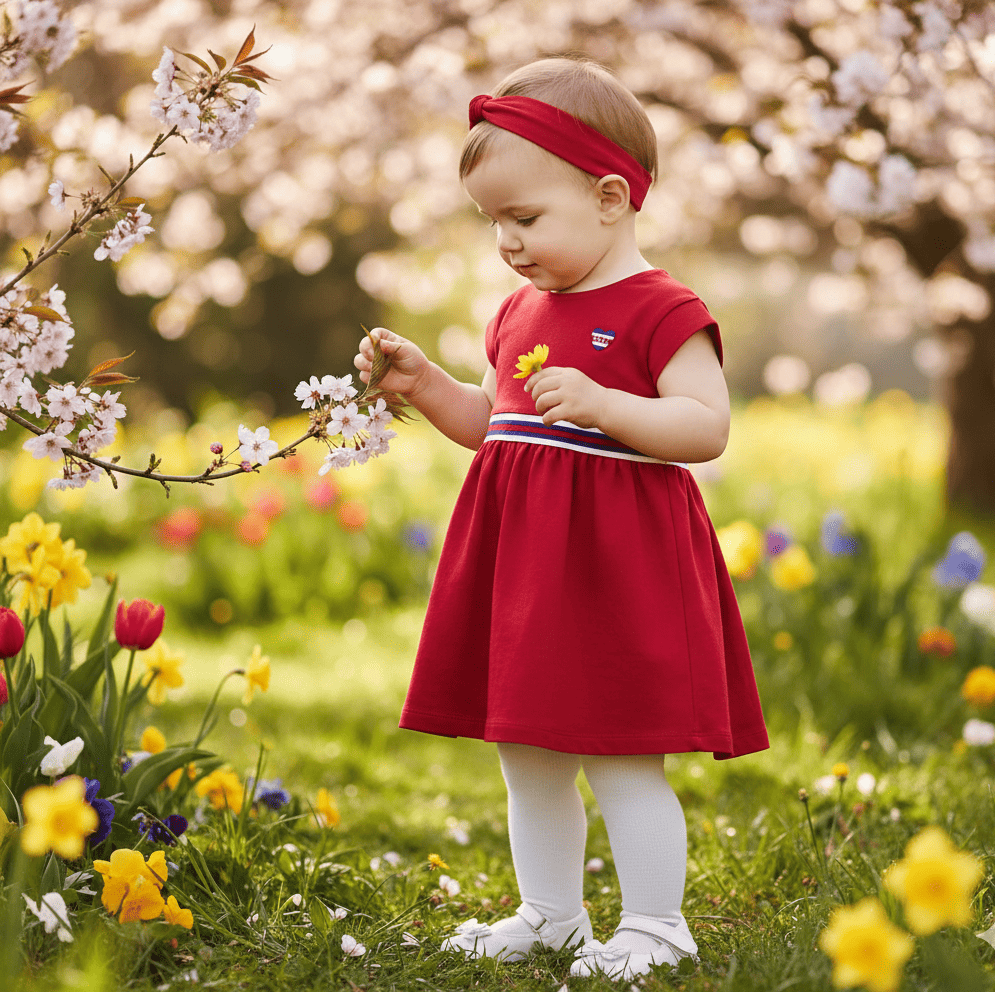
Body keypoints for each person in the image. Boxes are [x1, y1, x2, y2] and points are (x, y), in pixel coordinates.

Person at [353, 55, 769, 981]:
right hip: (527, 576)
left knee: (622, 755)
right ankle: (549, 914)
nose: (506, 240)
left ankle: (658, 926)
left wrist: (609, 404)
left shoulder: (665, 311)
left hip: (620, 573)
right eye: (493, 221)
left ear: (612, 198)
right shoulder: (516, 312)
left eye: (526, 217)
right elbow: (496, 429)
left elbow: (706, 428)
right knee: (528, 751)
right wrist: (427, 387)